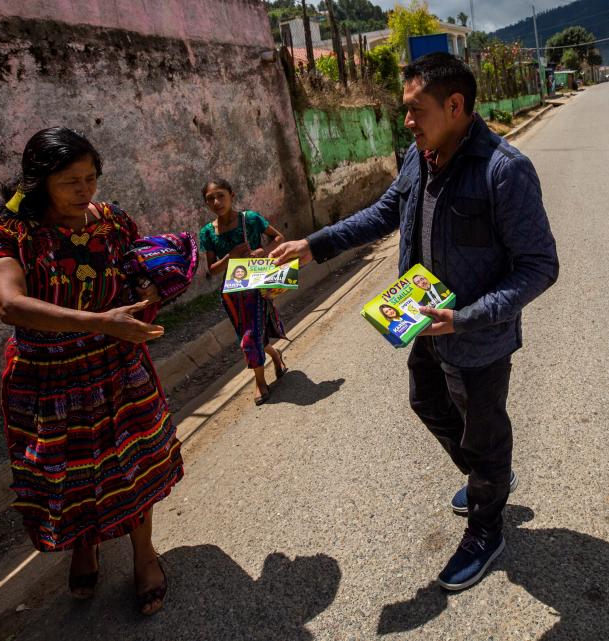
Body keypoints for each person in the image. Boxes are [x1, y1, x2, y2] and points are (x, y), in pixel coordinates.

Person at [271, 53, 559, 591]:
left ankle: (487, 523)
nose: (405, 120)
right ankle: (487, 480)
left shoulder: (505, 169)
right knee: (426, 401)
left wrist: (466, 317)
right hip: (422, 319)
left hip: (477, 338)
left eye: (414, 109)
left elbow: (540, 267)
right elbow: (384, 213)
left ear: (454, 106)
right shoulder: (419, 154)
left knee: (484, 429)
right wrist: (314, 245)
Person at [0, 127, 197, 616]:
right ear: (39, 182)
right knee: (66, 475)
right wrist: (99, 321)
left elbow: (135, 271)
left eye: (91, 178)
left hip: (118, 367)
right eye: (71, 181)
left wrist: (151, 292)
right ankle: (83, 544)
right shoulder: (4, 234)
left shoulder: (111, 221)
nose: (86, 191)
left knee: (134, 464)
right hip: (46, 378)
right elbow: (10, 304)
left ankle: (143, 555)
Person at [199, 179, 288, 405]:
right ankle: (275, 356)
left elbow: (278, 238)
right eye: (210, 198)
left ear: (232, 194)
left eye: (220, 195)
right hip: (232, 294)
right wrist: (231, 257)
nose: (216, 202)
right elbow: (212, 270)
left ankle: (259, 382)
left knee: (250, 336)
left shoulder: (250, 219)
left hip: (257, 288)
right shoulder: (208, 233)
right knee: (248, 335)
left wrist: (264, 252)